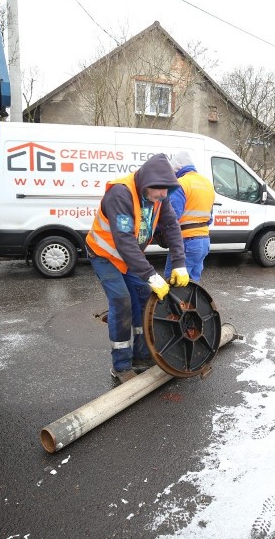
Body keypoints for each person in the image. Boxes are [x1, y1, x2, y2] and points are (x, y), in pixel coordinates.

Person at [86, 153, 190, 383]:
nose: (164, 196)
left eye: (167, 190)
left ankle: (143, 356)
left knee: (144, 299)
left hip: (131, 258)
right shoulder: (120, 194)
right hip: (105, 256)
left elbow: (171, 226)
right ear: (147, 182)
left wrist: (180, 264)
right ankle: (121, 365)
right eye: (160, 190)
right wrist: (151, 275)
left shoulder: (160, 196)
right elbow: (124, 241)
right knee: (122, 302)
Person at [162, 151, 216, 282]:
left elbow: (172, 217)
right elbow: (209, 218)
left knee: (173, 282)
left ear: (177, 169)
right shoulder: (207, 183)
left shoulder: (181, 184)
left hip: (186, 241)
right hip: (204, 242)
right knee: (192, 285)